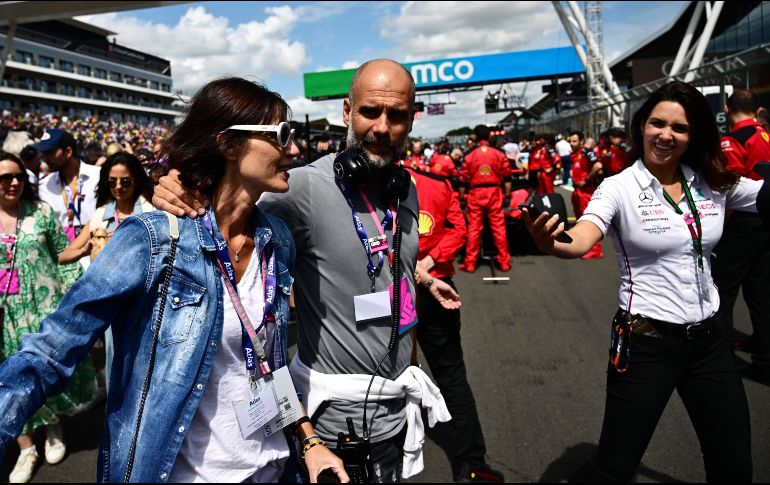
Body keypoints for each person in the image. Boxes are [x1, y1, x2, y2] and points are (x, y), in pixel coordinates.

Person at [0, 78, 347, 483]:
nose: (295, 149)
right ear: (230, 144)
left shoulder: (277, 240)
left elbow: (270, 361)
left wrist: (308, 440)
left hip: (273, 468)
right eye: (283, 136)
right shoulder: (152, 240)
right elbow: (49, 351)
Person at [153, 60, 452, 483]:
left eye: (397, 115)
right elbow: (226, 209)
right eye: (370, 112)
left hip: (397, 412)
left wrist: (420, 278)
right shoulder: (303, 188)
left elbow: (386, 266)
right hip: (334, 426)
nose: (383, 128)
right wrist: (178, 186)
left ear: (411, 119)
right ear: (348, 112)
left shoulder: (405, 189)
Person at [523, 81, 763, 482]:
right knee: (613, 469)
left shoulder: (710, 180)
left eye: (680, 128)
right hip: (646, 344)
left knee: (734, 467)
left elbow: (762, 195)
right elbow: (582, 236)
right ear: (641, 126)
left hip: (711, 343)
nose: (666, 135)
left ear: (694, 136)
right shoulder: (618, 188)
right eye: (657, 123)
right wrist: (553, 242)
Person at [0, 152, 97, 483]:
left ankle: (53, 428)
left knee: (43, 375)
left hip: (42, 311)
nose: (13, 182)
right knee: (7, 382)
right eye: (5, 178)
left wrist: (74, 302)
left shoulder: (40, 213)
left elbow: (63, 256)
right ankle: (26, 447)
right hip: (4, 318)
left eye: (18, 177)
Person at [408, 166, 504, 483]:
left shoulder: (363, 184)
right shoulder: (438, 184)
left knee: (379, 372)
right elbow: (458, 230)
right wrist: (429, 265)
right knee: (451, 374)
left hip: (389, 291)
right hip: (436, 283)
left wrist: (419, 268)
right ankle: (471, 463)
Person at [714, 89, 770, 383]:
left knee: (722, 290)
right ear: (756, 108)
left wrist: (719, 227)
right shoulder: (765, 134)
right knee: (761, 293)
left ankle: (720, 358)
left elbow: (731, 185)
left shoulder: (734, 139)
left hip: (744, 222)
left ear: (727, 108)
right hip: (767, 217)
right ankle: (765, 359)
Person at [458, 124, 512, 273]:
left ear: (475, 137)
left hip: (476, 194)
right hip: (494, 193)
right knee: (499, 229)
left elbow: (463, 179)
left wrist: (462, 198)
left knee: (474, 230)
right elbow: (507, 176)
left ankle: (470, 263)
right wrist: (507, 196)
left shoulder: (469, 154)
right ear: (489, 136)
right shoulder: (499, 153)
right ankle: (505, 262)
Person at [34, 129, 101, 245]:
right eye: (43, 154)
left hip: (96, 253)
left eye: (50, 152)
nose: (45, 158)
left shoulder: (98, 176)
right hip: (63, 256)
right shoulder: (44, 186)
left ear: (68, 152)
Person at [567, 130, 603, 260]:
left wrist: (586, 179)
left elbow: (598, 165)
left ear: (581, 141)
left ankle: (595, 250)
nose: (571, 143)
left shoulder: (587, 152)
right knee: (579, 220)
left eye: (574, 141)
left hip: (586, 191)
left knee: (589, 220)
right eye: (570, 141)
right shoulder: (574, 154)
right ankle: (584, 247)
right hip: (577, 190)